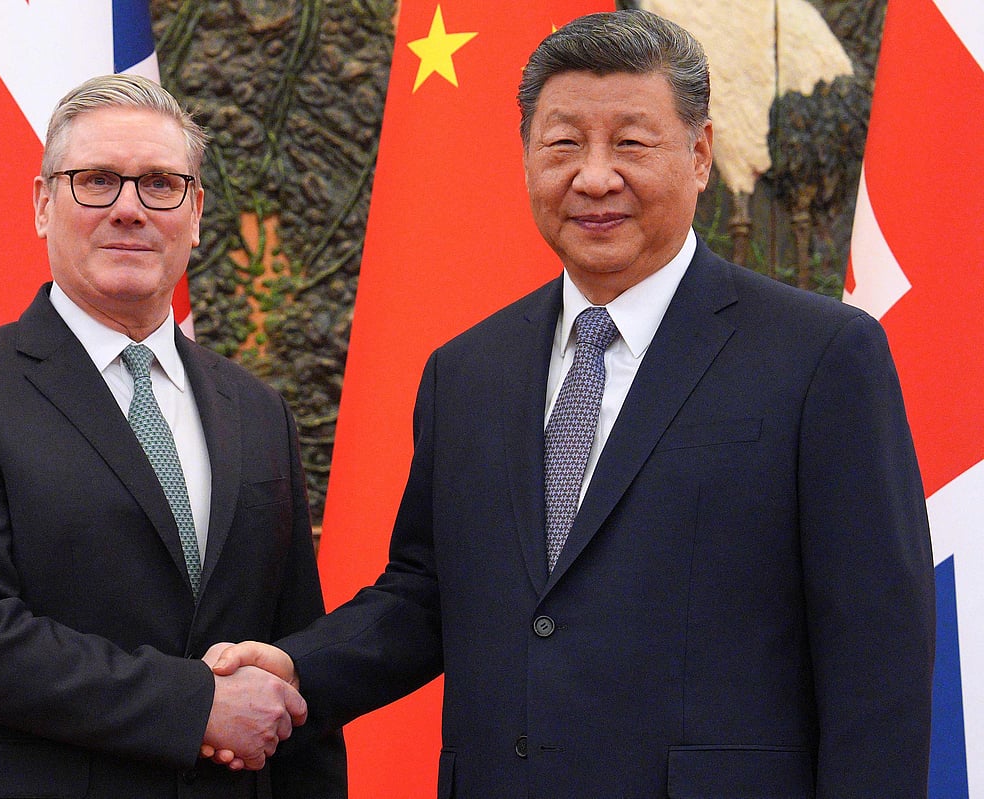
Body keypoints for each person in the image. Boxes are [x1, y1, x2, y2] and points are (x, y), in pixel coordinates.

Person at [209, 9, 936, 798]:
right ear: (526, 156)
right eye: (563, 144)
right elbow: (427, 593)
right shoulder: (467, 371)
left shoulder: (820, 356)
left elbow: (877, 651)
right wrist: (297, 668)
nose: (594, 177)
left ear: (699, 155)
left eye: (630, 143)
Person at [0, 73, 346, 799]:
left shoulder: (257, 411)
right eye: (96, 181)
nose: (129, 208)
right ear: (43, 204)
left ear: (195, 213)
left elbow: (291, 654)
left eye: (160, 184)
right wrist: (194, 705)